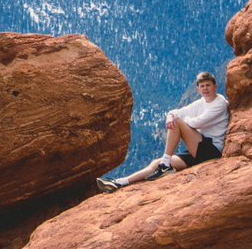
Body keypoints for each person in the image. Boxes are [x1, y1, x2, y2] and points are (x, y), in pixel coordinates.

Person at [98, 71, 229, 192]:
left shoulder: (219, 103)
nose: (205, 88)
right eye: (202, 86)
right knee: (156, 163)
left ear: (215, 87)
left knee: (177, 122)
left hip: (211, 150)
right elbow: (176, 112)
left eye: (208, 85)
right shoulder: (201, 102)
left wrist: (180, 119)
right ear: (198, 90)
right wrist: (170, 116)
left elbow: (196, 123)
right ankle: (120, 182)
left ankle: (165, 165)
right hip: (198, 149)